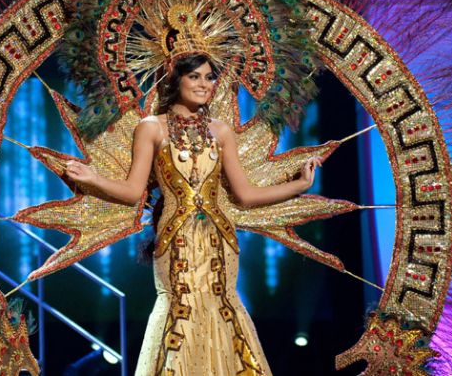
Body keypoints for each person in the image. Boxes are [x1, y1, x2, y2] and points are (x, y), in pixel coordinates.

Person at [61, 53, 324, 375]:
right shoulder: (151, 128)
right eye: (195, 76)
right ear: (176, 79)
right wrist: (92, 179)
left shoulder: (221, 131)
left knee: (222, 307)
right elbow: (133, 192)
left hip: (220, 240)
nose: (204, 84)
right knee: (178, 309)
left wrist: (300, 184)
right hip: (175, 239)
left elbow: (245, 195)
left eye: (210, 77)